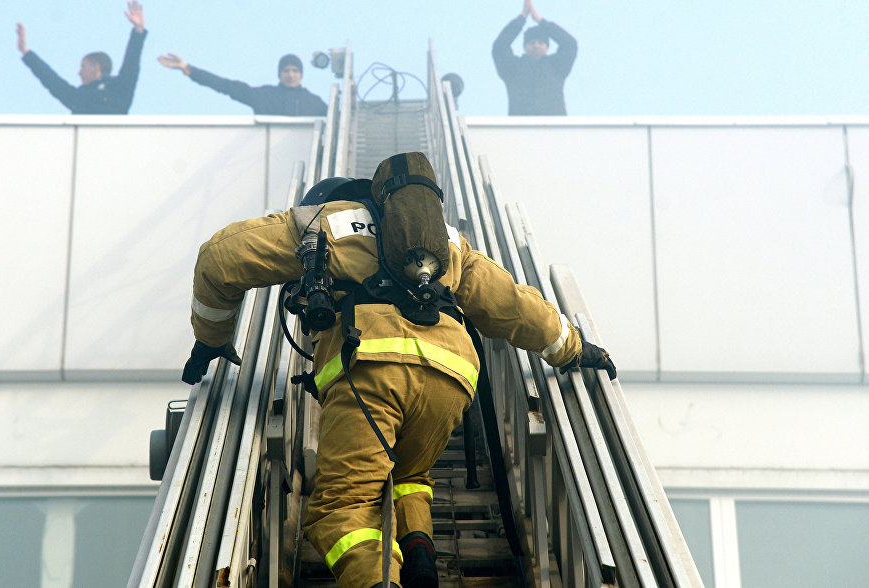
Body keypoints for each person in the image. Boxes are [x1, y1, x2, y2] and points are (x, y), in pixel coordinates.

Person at [180, 152, 615, 588]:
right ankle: (421, 557)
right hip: (452, 377)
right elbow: (514, 305)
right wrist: (575, 348)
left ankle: (380, 579)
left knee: (343, 508)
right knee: (409, 475)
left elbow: (219, 258)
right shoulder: (447, 242)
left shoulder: (325, 223)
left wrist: (211, 339)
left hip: (370, 368)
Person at [16, 1, 147, 114]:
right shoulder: (79, 97)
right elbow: (52, 81)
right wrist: (26, 53)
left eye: (83, 66)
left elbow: (131, 64)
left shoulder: (120, 88)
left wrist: (138, 30)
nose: (79, 73)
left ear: (96, 67)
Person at [157, 52, 328, 116]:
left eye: (295, 71)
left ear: (301, 75)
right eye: (286, 70)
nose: (291, 74)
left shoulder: (314, 102)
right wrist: (188, 69)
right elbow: (224, 85)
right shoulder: (264, 95)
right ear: (279, 74)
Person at [492, 0, 577, 115]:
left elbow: (570, 44)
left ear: (547, 47)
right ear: (525, 47)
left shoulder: (557, 66)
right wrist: (522, 18)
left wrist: (541, 21)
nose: (536, 45)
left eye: (540, 42)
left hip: (555, 129)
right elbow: (499, 46)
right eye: (531, 43)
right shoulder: (512, 68)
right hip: (520, 129)